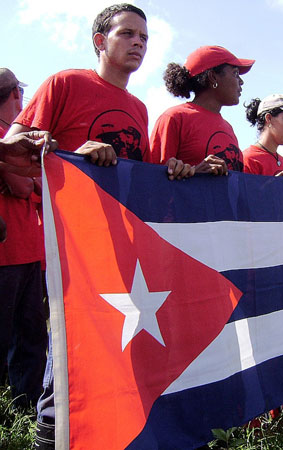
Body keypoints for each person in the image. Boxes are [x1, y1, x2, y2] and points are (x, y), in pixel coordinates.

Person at [6, 4, 173, 447]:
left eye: (144, 37)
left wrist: (178, 169)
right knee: (69, 354)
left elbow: (144, 177)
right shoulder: (65, 83)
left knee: (115, 356)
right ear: (100, 41)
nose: (138, 43)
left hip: (127, 252)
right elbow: (12, 149)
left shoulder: (139, 107)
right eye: (127, 34)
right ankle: (49, 436)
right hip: (73, 248)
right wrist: (76, 151)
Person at [0, 68, 48, 411]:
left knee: (31, 337)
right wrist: (27, 184)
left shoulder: (13, 137)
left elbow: (36, 188)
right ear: (15, 94)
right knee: (16, 337)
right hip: (8, 252)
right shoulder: (9, 138)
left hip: (28, 250)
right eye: (19, 92)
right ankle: (16, 409)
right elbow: (23, 186)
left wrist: (27, 184)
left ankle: (23, 407)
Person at [150, 45, 254, 175]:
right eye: (235, 73)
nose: (241, 82)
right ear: (213, 77)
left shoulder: (228, 128)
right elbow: (152, 179)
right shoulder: (174, 117)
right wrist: (195, 173)